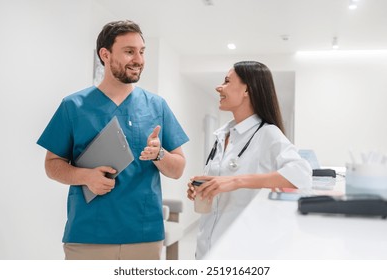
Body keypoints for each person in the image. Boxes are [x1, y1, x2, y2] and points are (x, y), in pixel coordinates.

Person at [37, 20, 189, 260]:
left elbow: (178, 168)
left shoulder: (156, 106)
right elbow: (52, 164)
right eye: (129, 51)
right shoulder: (73, 106)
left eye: (141, 51)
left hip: (144, 234)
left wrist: (159, 154)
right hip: (88, 235)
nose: (138, 59)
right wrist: (85, 176)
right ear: (105, 55)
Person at [187, 61, 312, 259]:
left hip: (242, 252)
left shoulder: (267, 133)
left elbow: (302, 175)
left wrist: (236, 181)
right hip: (207, 248)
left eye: (227, 81)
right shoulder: (222, 135)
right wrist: (204, 187)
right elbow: (222, 185)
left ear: (247, 90)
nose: (219, 87)